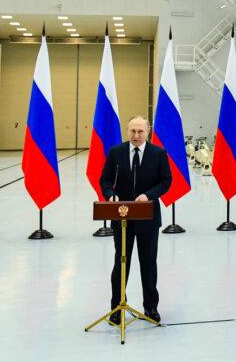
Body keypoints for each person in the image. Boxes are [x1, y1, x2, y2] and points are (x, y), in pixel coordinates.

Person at [99, 116, 172, 325]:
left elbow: (166, 181)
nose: (136, 136)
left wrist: (148, 195)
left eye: (140, 131)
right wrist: (109, 194)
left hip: (148, 219)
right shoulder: (116, 152)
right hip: (122, 218)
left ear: (148, 131)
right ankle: (117, 308)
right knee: (121, 264)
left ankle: (151, 307)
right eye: (133, 131)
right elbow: (105, 180)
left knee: (148, 264)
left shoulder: (159, 153)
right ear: (127, 130)